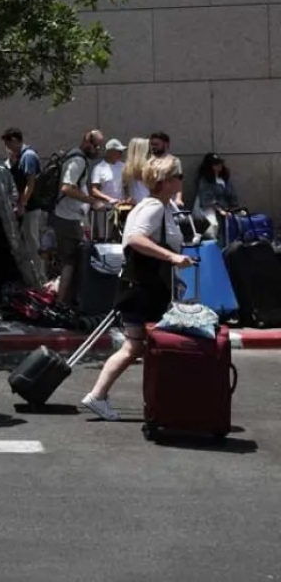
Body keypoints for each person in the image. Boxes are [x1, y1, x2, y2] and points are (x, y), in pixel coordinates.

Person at [81, 156, 192, 421]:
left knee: (140, 346)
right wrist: (171, 257)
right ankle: (100, 396)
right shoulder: (153, 208)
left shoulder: (159, 206)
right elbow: (134, 239)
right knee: (137, 346)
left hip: (145, 287)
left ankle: (151, 399)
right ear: (165, 182)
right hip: (143, 289)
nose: (181, 180)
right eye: (178, 176)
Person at [49, 130, 105, 307]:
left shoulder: (78, 157)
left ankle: (65, 298)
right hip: (67, 217)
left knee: (71, 259)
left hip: (71, 216)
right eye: (96, 146)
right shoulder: (78, 160)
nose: (98, 150)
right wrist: (92, 201)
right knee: (70, 260)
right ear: (87, 141)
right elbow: (67, 188)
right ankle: (62, 302)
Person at [1, 128, 43, 279]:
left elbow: (30, 184)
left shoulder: (28, 156)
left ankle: (40, 278)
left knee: (32, 246)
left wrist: (22, 204)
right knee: (26, 245)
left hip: (30, 209)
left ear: (14, 140)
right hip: (24, 208)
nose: (7, 147)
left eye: (8, 143)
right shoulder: (18, 157)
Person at [193, 153, 239, 243]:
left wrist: (233, 208)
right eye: (215, 164)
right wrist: (219, 209)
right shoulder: (205, 181)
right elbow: (207, 198)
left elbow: (232, 195)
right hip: (211, 210)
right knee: (215, 228)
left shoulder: (224, 179)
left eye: (220, 163)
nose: (219, 166)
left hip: (225, 209)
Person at [148, 132, 184, 207]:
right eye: (152, 144)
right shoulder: (148, 161)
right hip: (151, 200)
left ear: (166, 144)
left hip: (168, 200)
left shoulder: (174, 161)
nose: (154, 147)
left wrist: (178, 199)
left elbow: (178, 182)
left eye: (157, 144)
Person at [91, 139, 127, 207]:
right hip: (106, 208)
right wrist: (110, 199)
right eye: (119, 151)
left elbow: (126, 186)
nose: (121, 153)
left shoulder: (123, 166)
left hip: (121, 207)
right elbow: (94, 190)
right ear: (110, 152)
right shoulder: (99, 168)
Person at [121, 137, 151, 204]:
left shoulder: (126, 168)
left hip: (135, 203)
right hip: (148, 202)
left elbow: (125, 188)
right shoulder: (147, 167)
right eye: (148, 148)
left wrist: (128, 197)